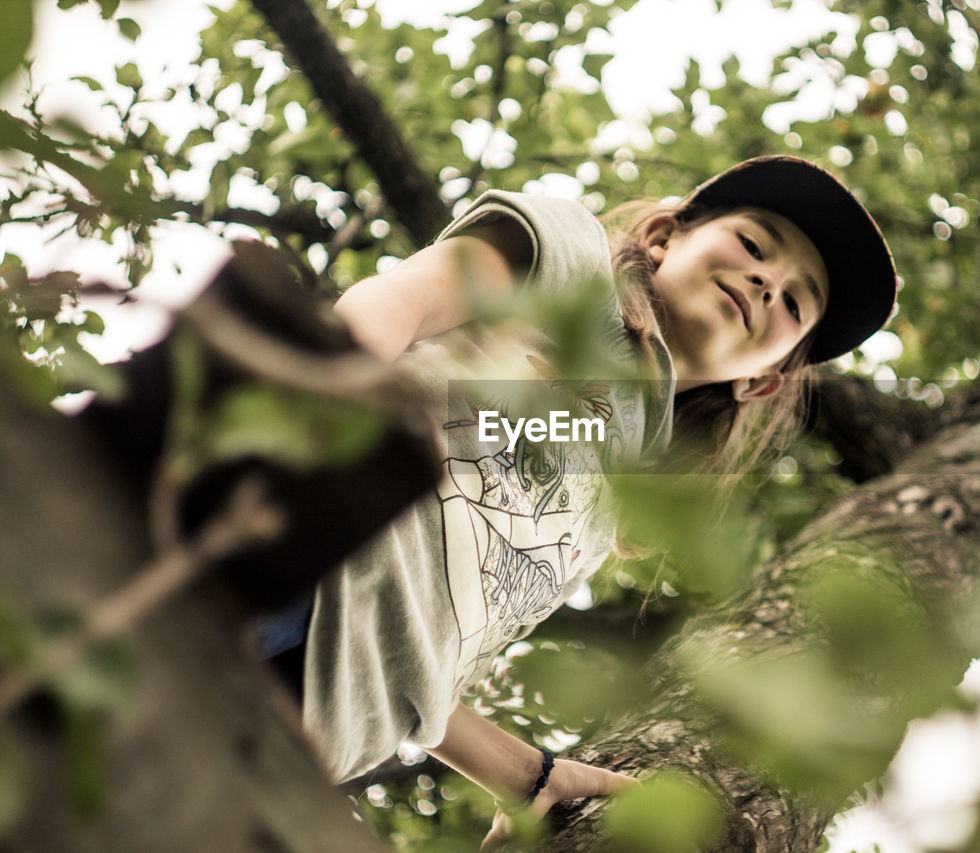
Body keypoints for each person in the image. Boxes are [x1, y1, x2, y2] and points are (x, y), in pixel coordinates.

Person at [266, 155, 896, 844]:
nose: (767, 281)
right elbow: (391, 304)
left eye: (796, 301)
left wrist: (528, 773)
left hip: (311, 727)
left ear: (765, 379)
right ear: (663, 235)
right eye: (755, 244)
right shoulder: (574, 264)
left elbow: (418, 648)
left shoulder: (607, 510)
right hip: (286, 548)